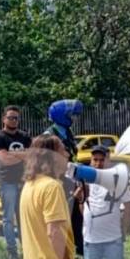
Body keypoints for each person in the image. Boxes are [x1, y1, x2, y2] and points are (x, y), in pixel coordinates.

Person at [44, 99, 86, 250]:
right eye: (71, 115)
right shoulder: (49, 136)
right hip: (59, 184)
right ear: (62, 115)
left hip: (72, 181)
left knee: (77, 219)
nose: (73, 118)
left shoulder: (68, 133)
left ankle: (80, 251)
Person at [0, 106, 31, 259]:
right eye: (10, 117)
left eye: (16, 118)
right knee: (8, 219)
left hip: (23, 182)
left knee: (24, 218)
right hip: (7, 182)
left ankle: (27, 251)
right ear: (4, 119)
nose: (13, 120)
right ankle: (12, 253)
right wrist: (23, 155)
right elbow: (5, 160)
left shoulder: (25, 136)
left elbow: (33, 156)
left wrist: (13, 154)